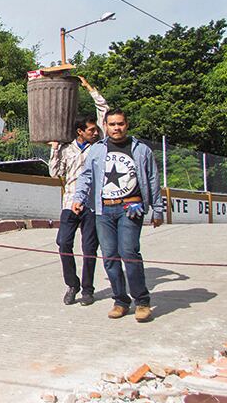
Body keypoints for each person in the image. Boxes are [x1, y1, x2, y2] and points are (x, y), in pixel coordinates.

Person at [72, 109, 163, 323]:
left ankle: (141, 301)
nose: (116, 128)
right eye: (112, 124)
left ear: (127, 124)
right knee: (110, 256)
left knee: (129, 252)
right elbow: (86, 177)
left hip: (131, 209)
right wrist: (78, 198)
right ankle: (121, 300)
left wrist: (157, 209)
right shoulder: (96, 150)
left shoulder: (141, 150)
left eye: (120, 124)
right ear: (106, 125)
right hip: (103, 210)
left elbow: (153, 180)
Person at [48, 77, 108, 306]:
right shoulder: (66, 150)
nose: (95, 132)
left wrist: (90, 90)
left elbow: (104, 111)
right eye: (90, 130)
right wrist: (54, 149)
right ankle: (72, 284)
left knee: (90, 248)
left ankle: (88, 289)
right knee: (63, 243)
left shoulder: (99, 147)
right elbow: (55, 174)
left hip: (93, 204)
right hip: (70, 202)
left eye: (95, 129)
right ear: (79, 132)